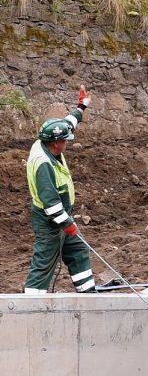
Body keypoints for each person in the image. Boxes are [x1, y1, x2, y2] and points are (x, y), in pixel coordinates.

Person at [24, 86, 96, 294]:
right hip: (50, 222)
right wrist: (67, 224)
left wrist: (82, 106)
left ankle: (88, 294)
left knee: (78, 251)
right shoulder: (43, 163)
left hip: (62, 217)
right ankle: (31, 304)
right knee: (45, 262)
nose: (67, 142)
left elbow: (69, 122)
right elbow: (51, 202)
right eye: (65, 140)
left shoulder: (48, 140)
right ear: (56, 142)